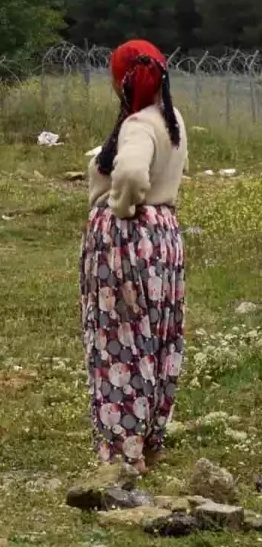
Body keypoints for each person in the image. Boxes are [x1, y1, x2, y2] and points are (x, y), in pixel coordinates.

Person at [82, 40, 187, 473]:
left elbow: (128, 171)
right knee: (155, 337)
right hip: (163, 235)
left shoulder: (138, 126)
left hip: (128, 238)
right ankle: (149, 438)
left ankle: (123, 449)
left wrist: (121, 206)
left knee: (119, 342)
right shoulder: (171, 119)